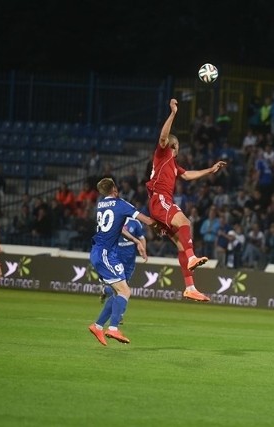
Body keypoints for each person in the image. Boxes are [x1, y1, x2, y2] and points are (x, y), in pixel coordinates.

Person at [146, 99, 226, 302]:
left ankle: (190, 287)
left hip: (160, 202)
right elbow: (164, 137)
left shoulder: (173, 165)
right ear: (175, 145)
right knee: (185, 222)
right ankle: (192, 258)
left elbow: (188, 175)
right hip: (160, 199)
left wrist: (210, 170)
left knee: (181, 245)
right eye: (178, 146)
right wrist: (173, 113)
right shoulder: (163, 153)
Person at [88, 178, 156, 346]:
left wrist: (136, 241)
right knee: (125, 292)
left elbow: (118, 229)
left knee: (119, 292)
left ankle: (97, 326)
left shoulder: (101, 205)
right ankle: (112, 328)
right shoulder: (121, 204)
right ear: (115, 189)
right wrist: (166, 224)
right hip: (105, 254)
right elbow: (147, 221)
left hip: (100, 252)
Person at [99, 216, 147, 324]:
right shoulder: (114, 220)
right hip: (115, 258)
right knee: (123, 289)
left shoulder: (135, 223)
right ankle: (119, 314)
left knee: (123, 287)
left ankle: (106, 290)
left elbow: (142, 237)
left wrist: (143, 251)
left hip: (129, 260)